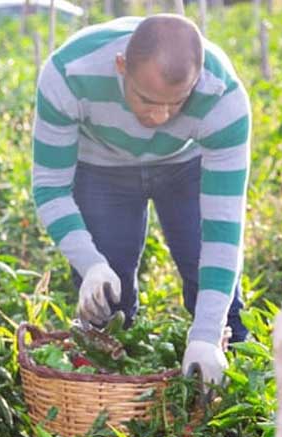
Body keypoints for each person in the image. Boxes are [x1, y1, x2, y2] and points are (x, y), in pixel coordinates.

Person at [31, 14, 250, 385]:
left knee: (208, 281)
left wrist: (207, 334)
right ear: (121, 67)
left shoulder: (222, 98)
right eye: (147, 99)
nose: (159, 116)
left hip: (184, 164)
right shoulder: (68, 75)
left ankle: (233, 388)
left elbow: (224, 230)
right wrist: (91, 264)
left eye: (177, 103)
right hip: (101, 164)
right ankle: (112, 403)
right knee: (108, 301)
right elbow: (50, 187)